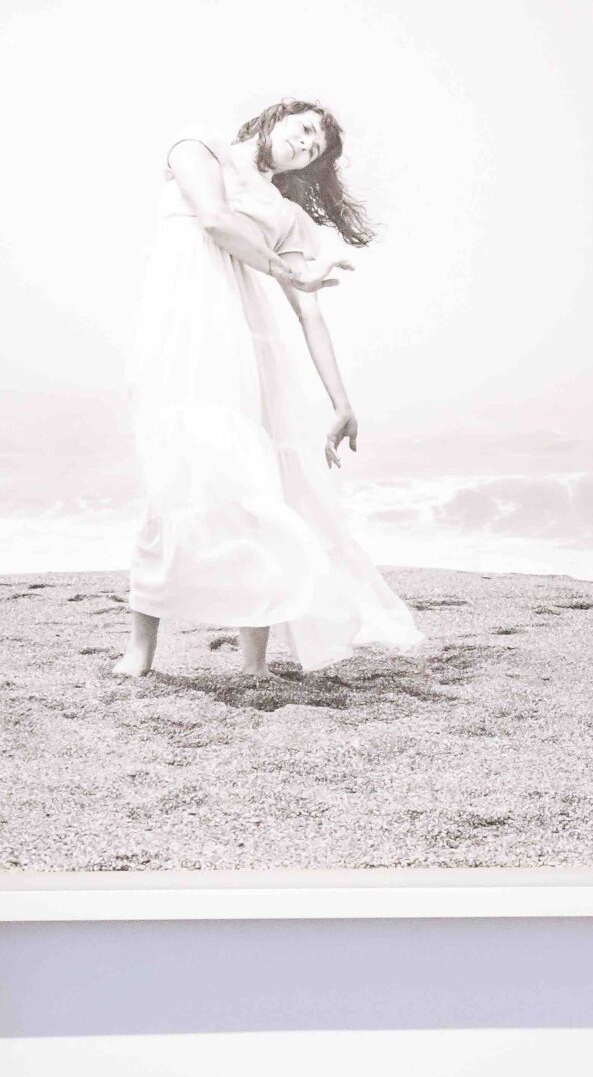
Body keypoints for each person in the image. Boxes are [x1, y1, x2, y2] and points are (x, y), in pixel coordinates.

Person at [114, 98, 424, 680]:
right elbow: (214, 219)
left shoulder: (288, 217)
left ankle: (253, 662)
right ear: (273, 117)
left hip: (246, 346)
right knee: (171, 479)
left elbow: (310, 313)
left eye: (314, 149)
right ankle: (140, 648)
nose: (304, 145)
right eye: (303, 130)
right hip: (177, 333)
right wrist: (288, 271)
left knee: (256, 487)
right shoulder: (198, 143)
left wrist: (342, 402)